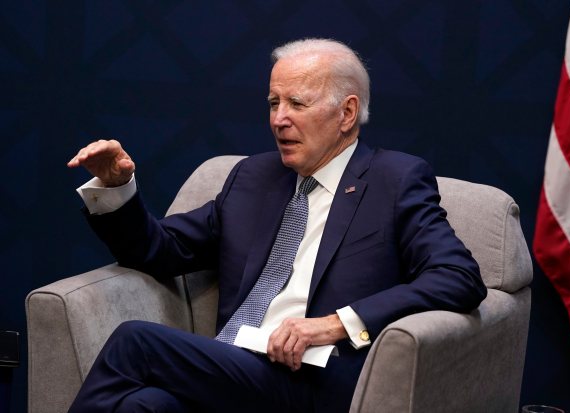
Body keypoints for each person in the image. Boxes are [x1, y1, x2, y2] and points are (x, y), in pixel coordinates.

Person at [66, 38, 486, 413]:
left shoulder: (395, 181)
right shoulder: (253, 177)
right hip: (234, 367)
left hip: (316, 380)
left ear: (347, 112)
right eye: (273, 103)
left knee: (135, 341)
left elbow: (458, 276)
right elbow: (161, 250)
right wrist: (118, 188)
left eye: (297, 104)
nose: (279, 119)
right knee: (144, 404)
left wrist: (335, 324)